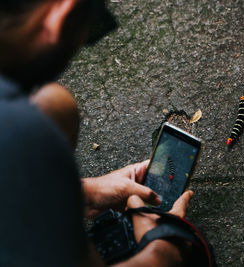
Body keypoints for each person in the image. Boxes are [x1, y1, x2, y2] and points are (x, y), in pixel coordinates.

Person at [0, 0, 195, 266]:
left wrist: (84, 194)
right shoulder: (22, 134)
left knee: (53, 105)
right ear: (62, 15)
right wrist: (165, 249)